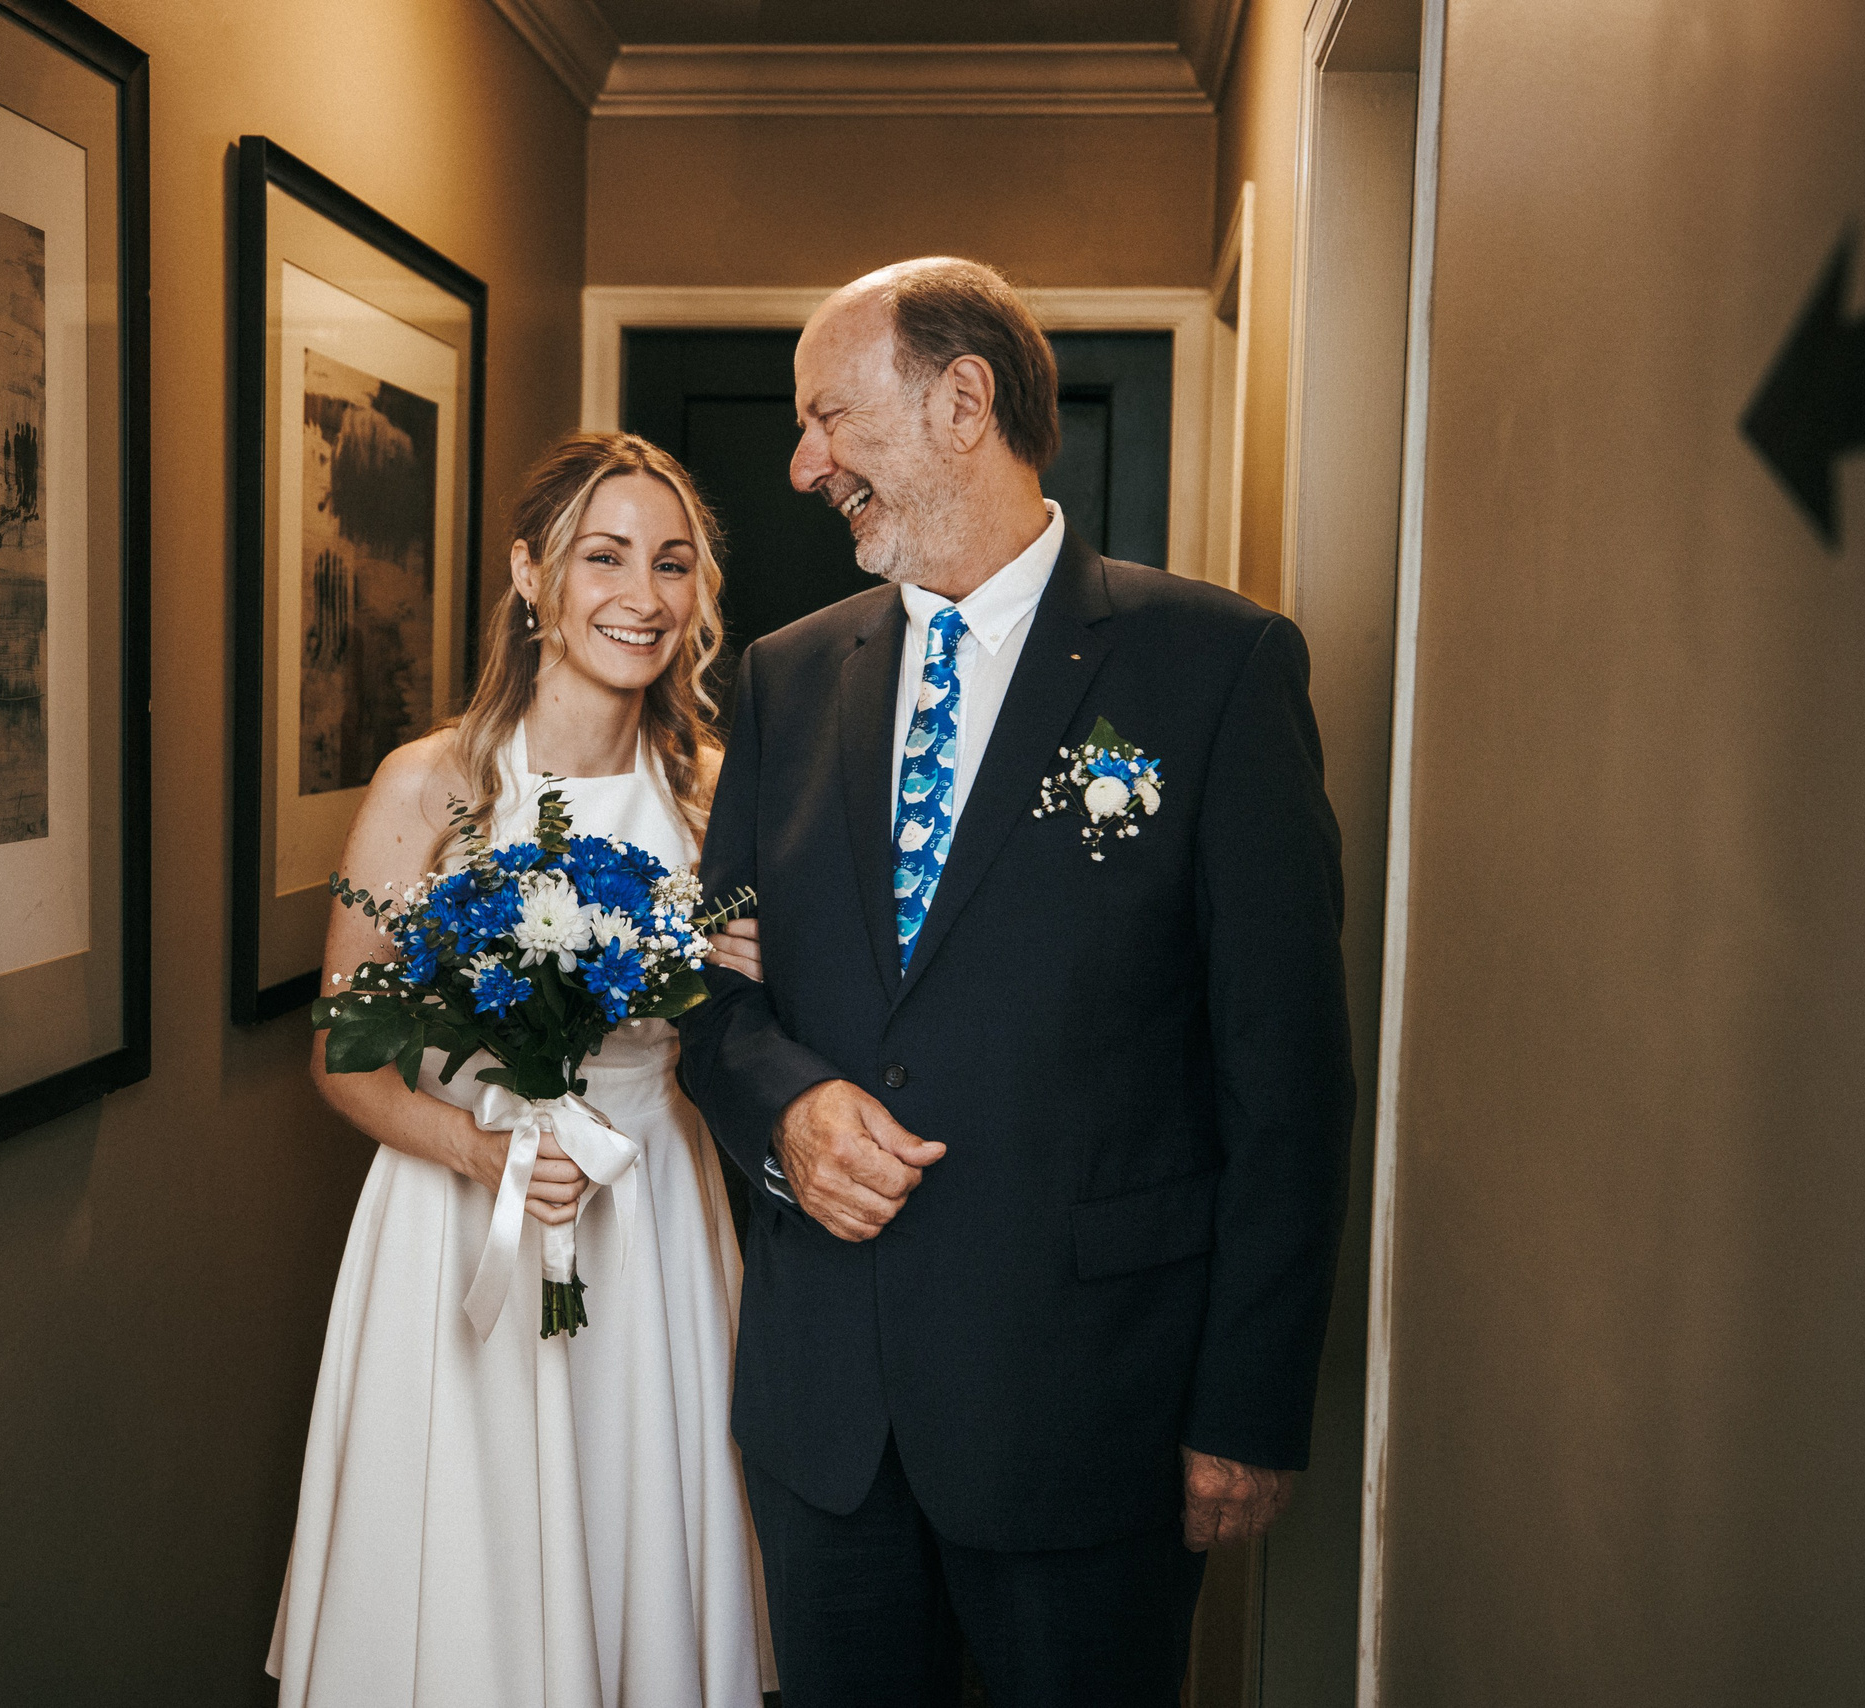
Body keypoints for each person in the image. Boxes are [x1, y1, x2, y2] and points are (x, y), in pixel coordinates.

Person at [675, 258, 1356, 1708]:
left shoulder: (1213, 669)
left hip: (1093, 1413)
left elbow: (1286, 1073)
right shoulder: (785, 681)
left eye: (830, 419)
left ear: (963, 401)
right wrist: (787, 1114)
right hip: (830, 1426)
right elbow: (717, 1002)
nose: (803, 466)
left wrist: (1249, 1405)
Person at [269, 433, 775, 1707]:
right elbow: (342, 1050)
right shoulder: (433, 787)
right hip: (462, 1219)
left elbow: (764, 1034)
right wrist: (482, 1150)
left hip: (651, 1202)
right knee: (470, 1566)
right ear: (529, 574)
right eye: (603, 557)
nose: (642, 597)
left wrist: (755, 966)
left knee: (635, 1525)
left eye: (671, 564)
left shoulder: (715, 796)